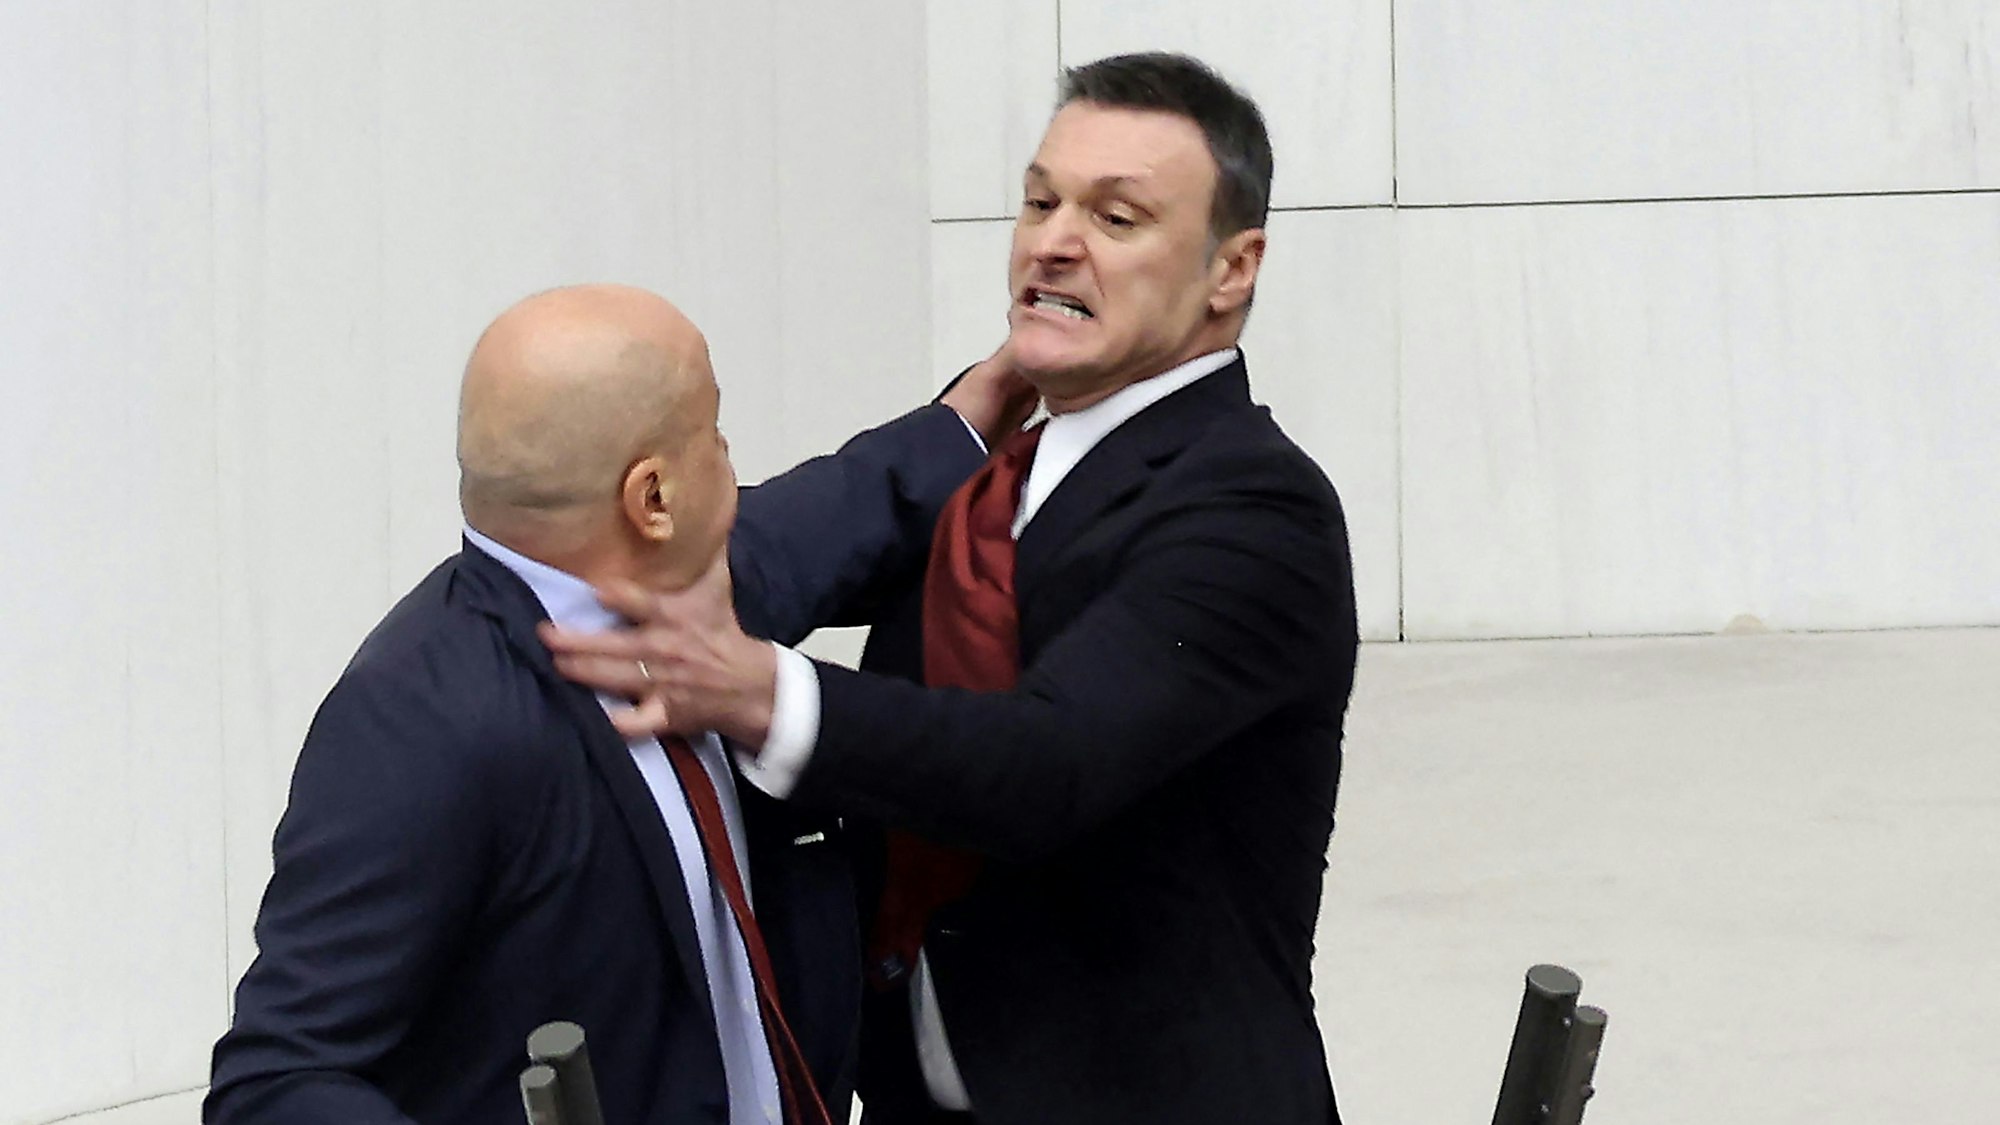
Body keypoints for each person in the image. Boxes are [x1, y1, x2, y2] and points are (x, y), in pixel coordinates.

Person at [545, 54, 1361, 1125]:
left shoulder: (1256, 510)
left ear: (1230, 270)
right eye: (1038, 200)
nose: (1052, 239)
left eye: (1115, 218)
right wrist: (954, 429)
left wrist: (761, 697)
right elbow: (773, 556)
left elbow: (1043, 762)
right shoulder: (997, 476)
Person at [205, 284, 1031, 1125]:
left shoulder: (685, 594)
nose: (730, 456)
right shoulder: (419, 722)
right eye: (713, 432)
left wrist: (985, 406)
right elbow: (278, 1077)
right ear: (653, 499)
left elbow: (840, 509)